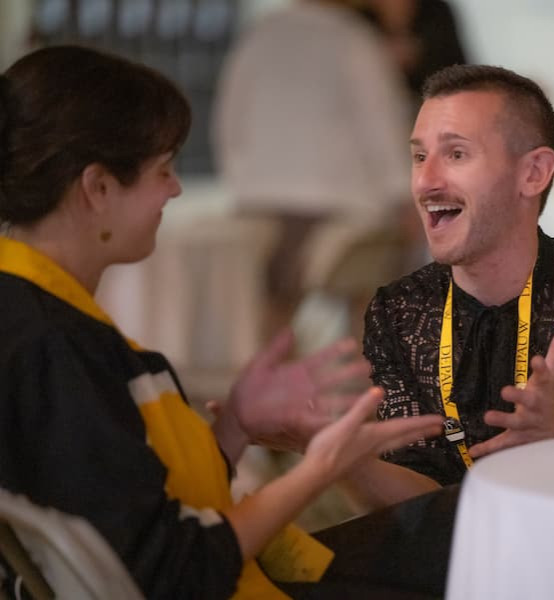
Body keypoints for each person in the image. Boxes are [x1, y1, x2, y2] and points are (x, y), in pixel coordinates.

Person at [0, 45, 442, 599]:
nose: (175, 188)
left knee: (455, 530)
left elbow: (126, 498)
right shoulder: (53, 349)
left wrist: (233, 427)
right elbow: (176, 571)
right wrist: (323, 465)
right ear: (98, 188)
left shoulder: (41, 316)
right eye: (162, 169)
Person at [358, 64, 554, 492]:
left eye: (456, 154)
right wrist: (329, 455)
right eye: (419, 156)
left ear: (533, 173)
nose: (425, 182)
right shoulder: (399, 313)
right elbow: (413, 513)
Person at [212, 0, 417, 340]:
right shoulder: (353, 38)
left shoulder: (259, 36)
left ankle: (273, 389)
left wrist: (245, 181)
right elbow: (381, 126)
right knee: (367, 314)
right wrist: (403, 198)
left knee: (273, 318)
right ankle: (363, 387)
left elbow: (229, 122)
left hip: (260, 202)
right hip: (343, 208)